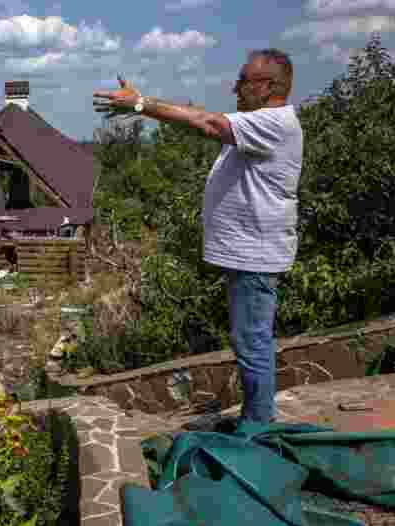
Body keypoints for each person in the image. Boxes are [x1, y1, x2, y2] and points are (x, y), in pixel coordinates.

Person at [93, 49, 303, 426]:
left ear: (267, 86)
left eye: (242, 80)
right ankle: (256, 421)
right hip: (247, 255)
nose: (234, 88)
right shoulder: (259, 124)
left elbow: (207, 123)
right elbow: (206, 122)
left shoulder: (275, 123)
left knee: (252, 343)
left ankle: (258, 430)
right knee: (248, 341)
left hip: (256, 257)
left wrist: (140, 104)